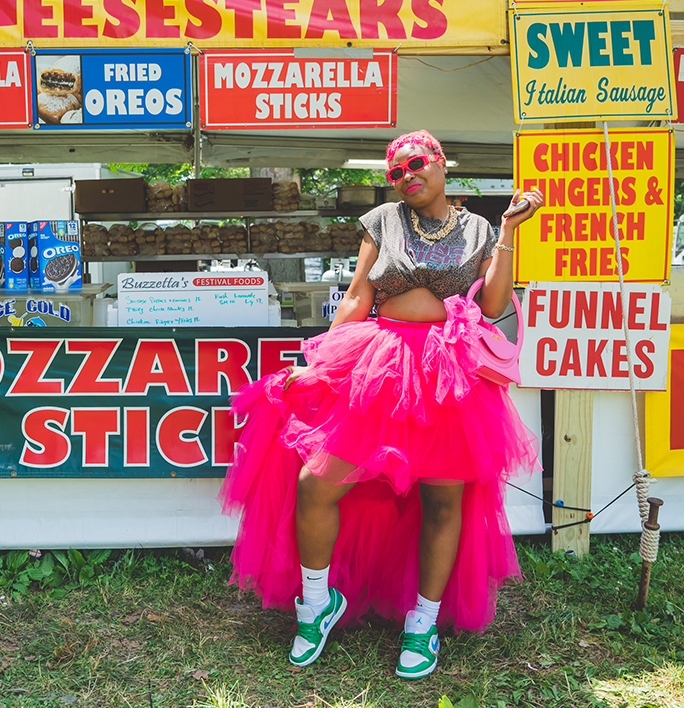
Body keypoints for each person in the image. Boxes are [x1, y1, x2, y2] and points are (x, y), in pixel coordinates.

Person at [219, 130, 543, 679]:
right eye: (396, 171)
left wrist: (508, 232)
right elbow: (356, 297)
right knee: (316, 483)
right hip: (381, 362)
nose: (407, 176)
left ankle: (423, 622)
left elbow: (491, 303)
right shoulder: (382, 221)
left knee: (444, 502)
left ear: (442, 165)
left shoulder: (481, 229)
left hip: (447, 375)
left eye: (417, 164)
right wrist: (318, 362)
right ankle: (317, 603)